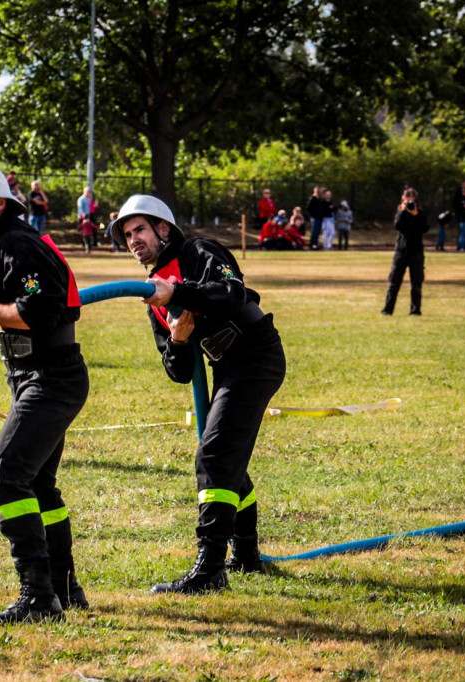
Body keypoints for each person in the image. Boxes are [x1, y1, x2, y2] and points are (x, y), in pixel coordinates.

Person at [111, 194, 285, 595]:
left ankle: (210, 571)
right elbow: (175, 369)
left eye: (139, 229)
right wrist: (178, 340)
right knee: (225, 456)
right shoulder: (151, 292)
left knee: (214, 454)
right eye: (127, 235)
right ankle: (246, 556)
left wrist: (176, 294)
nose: (134, 240)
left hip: (256, 354)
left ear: (163, 229)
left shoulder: (198, 251)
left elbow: (230, 292)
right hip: (224, 365)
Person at [0, 158, 89, 624]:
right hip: (29, 375)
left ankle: (38, 597)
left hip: (52, 376)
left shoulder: (18, 245)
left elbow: (39, 312)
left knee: (7, 476)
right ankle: (65, 589)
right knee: (38, 484)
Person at [381, 187, 429, 316]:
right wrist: (403, 211)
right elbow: (397, 226)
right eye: (407, 197)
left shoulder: (421, 213)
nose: (410, 200)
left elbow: (424, 228)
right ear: (403, 199)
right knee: (394, 282)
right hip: (401, 251)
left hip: (416, 251)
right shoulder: (400, 212)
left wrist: (416, 215)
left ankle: (415, 310)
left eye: (412, 197)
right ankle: (387, 310)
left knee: (416, 283)